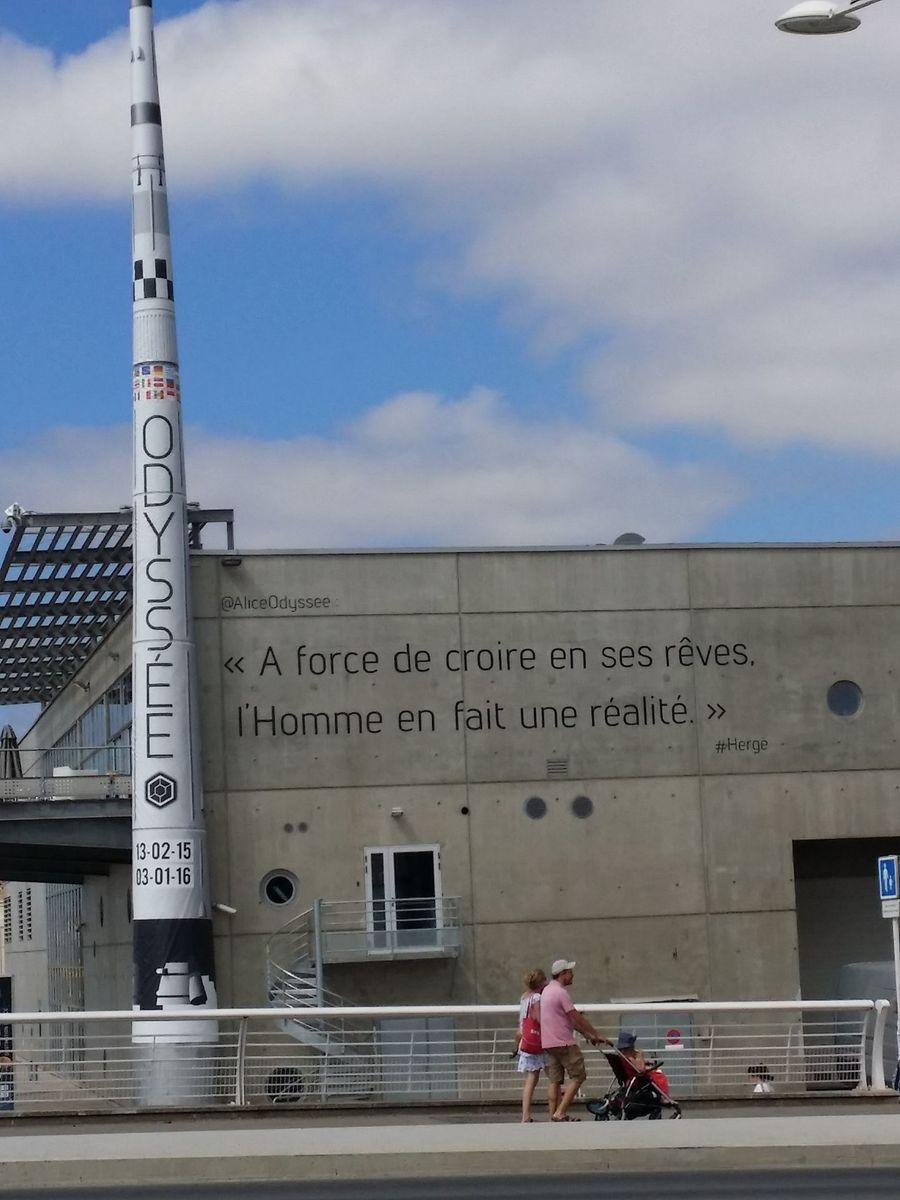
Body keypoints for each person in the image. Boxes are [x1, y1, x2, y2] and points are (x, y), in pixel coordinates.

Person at [541, 958, 612, 1122]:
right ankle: (560, 1112)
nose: (572, 975)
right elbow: (575, 1016)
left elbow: (566, 1020)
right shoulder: (561, 993)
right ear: (562, 974)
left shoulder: (546, 991)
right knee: (578, 1076)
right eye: (570, 972)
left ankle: (553, 1114)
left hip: (549, 1043)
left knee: (554, 1080)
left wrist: (586, 1034)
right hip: (563, 1042)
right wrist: (595, 1033)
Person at [515, 968, 548, 1122]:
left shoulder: (524, 997)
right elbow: (538, 1017)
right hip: (537, 1040)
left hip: (525, 1038)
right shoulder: (536, 997)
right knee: (552, 1075)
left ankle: (525, 1115)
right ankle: (556, 1110)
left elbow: (523, 1021)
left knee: (531, 1079)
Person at [615, 1029, 671, 1096]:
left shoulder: (623, 1058)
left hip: (631, 1078)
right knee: (659, 1075)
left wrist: (645, 1062)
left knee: (655, 1072)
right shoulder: (630, 1058)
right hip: (639, 1080)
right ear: (630, 1047)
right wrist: (640, 1055)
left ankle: (661, 1096)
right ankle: (662, 1097)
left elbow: (635, 1066)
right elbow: (641, 1070)